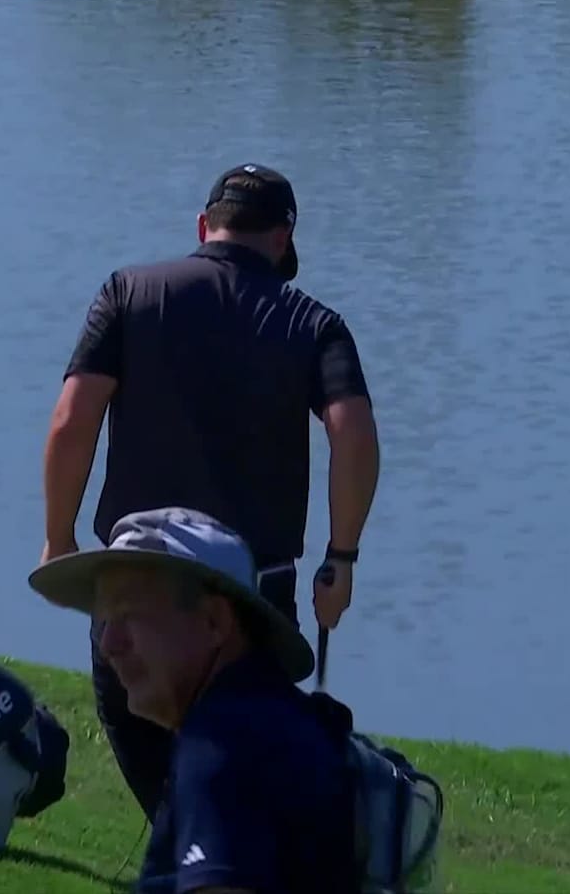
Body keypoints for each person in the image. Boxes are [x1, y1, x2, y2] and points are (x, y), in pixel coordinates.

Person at [39, 163, 381, 818]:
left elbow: (71, 418)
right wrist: (341, 559)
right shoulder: (314, 324)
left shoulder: (127, 293)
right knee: (236, 797)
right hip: (252, 601)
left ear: (204, 226)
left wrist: (60, 538)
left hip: (132, 583)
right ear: (283, 240)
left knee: (170, 798)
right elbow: (354, 435)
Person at [29, 507, 360, 894]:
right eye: (104, 619)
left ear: (214, 622)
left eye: (130, 613)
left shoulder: (222, 748)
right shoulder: (278, 723)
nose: (109, 645)